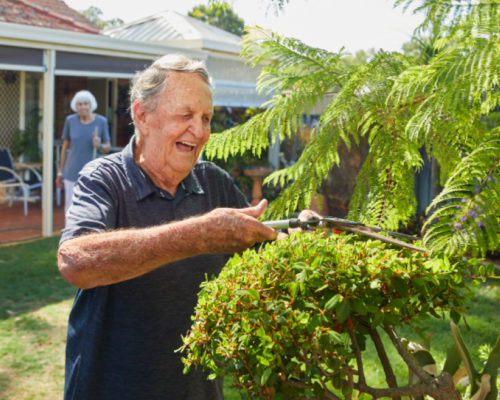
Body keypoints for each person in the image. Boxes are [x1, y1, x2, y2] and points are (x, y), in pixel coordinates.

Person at [57, 54, 280, 400]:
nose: (201, 131)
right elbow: (75, 263)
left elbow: (265, 250)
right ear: (142, 115)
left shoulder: (214, 183)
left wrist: (297, 234)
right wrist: (197, 236)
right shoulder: (104, 178)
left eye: (206, 118)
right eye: (186, 115)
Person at [56, 90, 111, 215]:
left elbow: (107, 147)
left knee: (91, 209)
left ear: (91, 105)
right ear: (76, 107)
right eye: (79, 104)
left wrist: (100, 145)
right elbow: (65, 148)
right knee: (70, 210)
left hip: (92, 173)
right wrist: (61, 171)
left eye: (86, 104)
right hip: (71, 172)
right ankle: (71, 234)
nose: (83, 107)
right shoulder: (70, 121)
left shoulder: (101, 122)